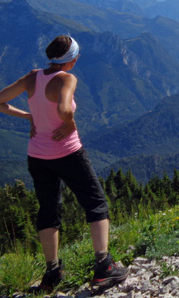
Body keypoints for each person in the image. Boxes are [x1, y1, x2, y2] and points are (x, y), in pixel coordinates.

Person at [0, 35, 127, 292]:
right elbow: (64, 109)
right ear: (71, 59)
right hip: (68, 153)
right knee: (95, 203)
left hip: (37, 156)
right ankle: (104, 268)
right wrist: (68, 123)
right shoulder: (67, 79)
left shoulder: (32, 77)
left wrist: (29, 116)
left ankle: (52, 273)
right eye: (77, 56)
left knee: (48, 210)